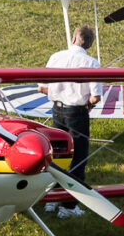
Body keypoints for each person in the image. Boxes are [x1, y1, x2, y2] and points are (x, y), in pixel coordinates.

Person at [37, 26, 101, 218]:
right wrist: (86, 105)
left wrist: (58, 94)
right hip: (77, 113)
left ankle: (52, 199)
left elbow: (41, 88)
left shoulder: (56, 57)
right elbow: (95, 97)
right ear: (89, 44)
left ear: (74, 39)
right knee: (78, 157)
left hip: (57, 110)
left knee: (57, 155)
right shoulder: (92, 63)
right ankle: (69, 205)